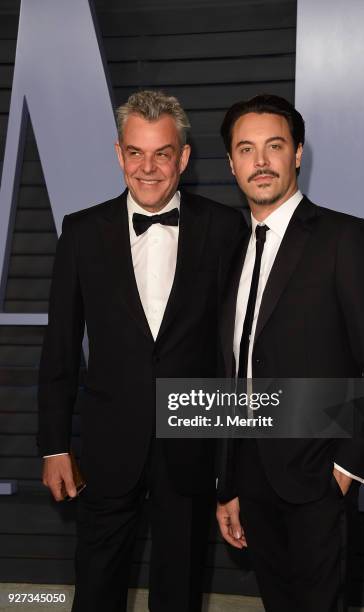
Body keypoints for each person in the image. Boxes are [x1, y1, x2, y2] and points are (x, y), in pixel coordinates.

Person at [38, 90, 245, 612]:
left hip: (191, 441)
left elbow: (236, 352)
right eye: (136, 152)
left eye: (162, 153)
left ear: (184, 157)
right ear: (118, 154)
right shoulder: (81, 233)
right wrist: (54, 444)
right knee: (97, 585)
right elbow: (60, 346)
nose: (148, 168)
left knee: (179, 589)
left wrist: (233, 462)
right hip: (108, 444)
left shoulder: (224, 229)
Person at [215, 94, 364, 611]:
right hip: (251, 477)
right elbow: (235, 368)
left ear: (298, 153)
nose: (260, 161)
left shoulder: (346, 238)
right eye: (246, 149)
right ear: (231, 163)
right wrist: (229, 483)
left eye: (274, 146)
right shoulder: (230, 249)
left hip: (320, 478)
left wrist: (346, 469)